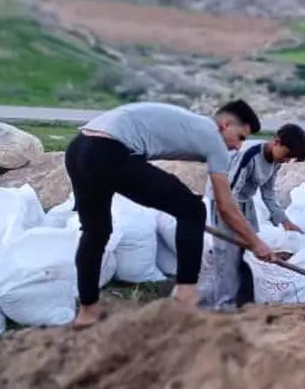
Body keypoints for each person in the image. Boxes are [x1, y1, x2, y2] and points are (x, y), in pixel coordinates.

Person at [64, 100, 275, 329]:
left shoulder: (192, 124)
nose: (237, 147)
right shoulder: (214, 138)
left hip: (78, 149)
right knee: (193, 210)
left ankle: (87, 311)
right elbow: (225, 205)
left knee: (96, 232)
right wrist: (256, 243)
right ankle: (186, 294)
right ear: (225, 124)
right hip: (109, 151)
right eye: (241, 137)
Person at [200, 123, 305, 311]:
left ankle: (242, 299)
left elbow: (268, 193)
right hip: (223, 200)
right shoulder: (248, 155)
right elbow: (229, 196)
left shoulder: (276, 161)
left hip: (244, 201)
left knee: (244, 253)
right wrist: (248, 237)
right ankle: (217, 302)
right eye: (287, 155)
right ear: (276, 142)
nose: (286, 161)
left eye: (290, 159)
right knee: (230, 252)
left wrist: (284, 220)